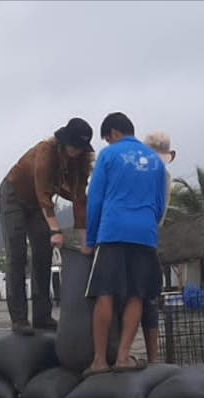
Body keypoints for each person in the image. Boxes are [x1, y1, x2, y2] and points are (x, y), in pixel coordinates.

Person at [83, 113, 168, 375]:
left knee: (105, 293)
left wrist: (90, 239)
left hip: (113, 232)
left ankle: (99, 361)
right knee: (136, 295)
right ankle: (122, 358)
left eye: (107, 139)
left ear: (113, 134)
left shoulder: (108, 156)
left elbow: (95, 200)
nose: (108, 143)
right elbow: (159, 204)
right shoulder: (156, 161)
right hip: (145, 235)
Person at [0, 117, 94, 336]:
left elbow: (79, 199)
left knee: (42, 254)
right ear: (63, 142)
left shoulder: (81, 161)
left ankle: (42, 316)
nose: (77, 152)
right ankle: (19, 318)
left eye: (81, 148)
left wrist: (84, 239)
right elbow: (43, 194)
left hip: (38, 206)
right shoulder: (45, 152)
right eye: (74, 147)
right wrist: (55, 230)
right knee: (17, 255)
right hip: (14, 195)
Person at [138, 131, 177, 363]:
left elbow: (158, 214)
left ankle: (150, 355)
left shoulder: (162, 177)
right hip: (145, 238)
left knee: (146, 298)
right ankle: (147, 355)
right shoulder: (163, 175)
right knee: (143, 298)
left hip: (143, 239)